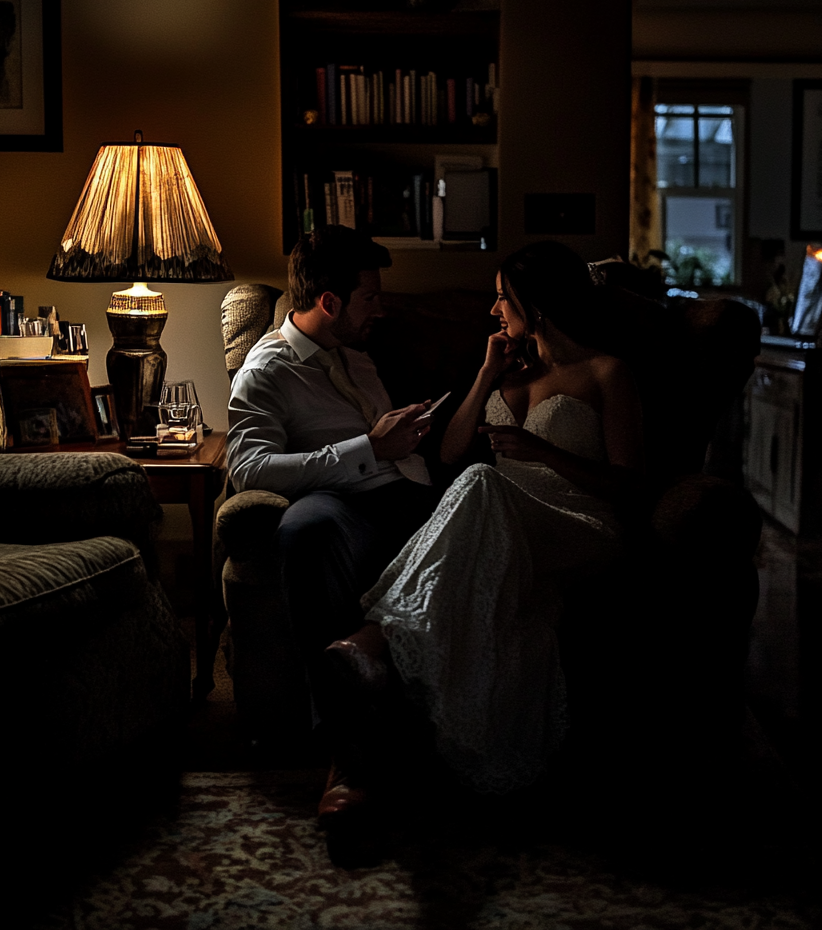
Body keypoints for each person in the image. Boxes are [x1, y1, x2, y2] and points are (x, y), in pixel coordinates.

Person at [329, 241, 646, 795]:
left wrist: (544, 451)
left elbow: (630, 486)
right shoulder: (507, 373)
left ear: (536, 305)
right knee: (476, 481)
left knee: (480, 481)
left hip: (579, 525)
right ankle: (392, 721)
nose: (494, 311)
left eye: (503, 299)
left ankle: (376, 640)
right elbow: (451, 453)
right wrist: (485, 373)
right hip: (505, 522)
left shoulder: (606, 372)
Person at [226, 224, 438, 824]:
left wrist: (408, 436)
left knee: (477, 504)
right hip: (340, 502)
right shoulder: (266, 370)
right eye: (371, 297)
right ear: (330, 303)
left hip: (408, 490)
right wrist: (365, 448)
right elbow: (249, 469)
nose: (382, 307)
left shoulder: (358, 357)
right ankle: (346, 753)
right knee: (304, 530)